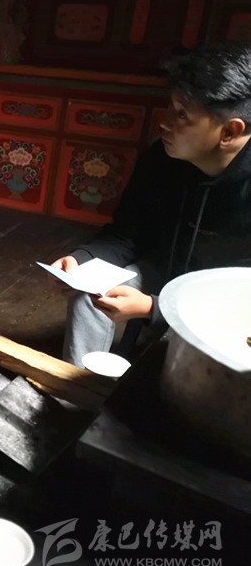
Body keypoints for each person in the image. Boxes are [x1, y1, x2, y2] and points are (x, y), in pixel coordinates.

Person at [51, 42, 251, 367]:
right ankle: (76, 389)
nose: (165, 122)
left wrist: (152, 309)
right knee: (89, 294)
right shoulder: (161, 157)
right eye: (170, 107)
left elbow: (241, 300)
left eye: (181, 115)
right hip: (163, 268)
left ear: (229, 131)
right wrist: (81, 259)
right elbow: (125, 233)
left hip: (226, 306)